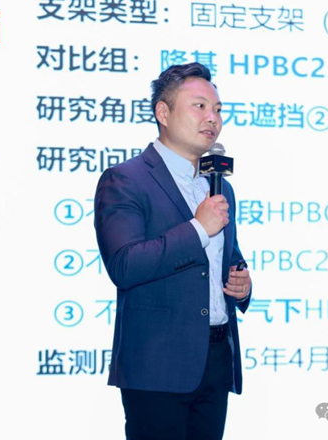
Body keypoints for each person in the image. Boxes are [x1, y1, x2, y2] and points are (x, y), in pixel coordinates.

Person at [93, 62, 252, 440]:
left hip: (216, 358)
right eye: (200, 106)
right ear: (163, 113)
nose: (212, 118)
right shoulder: (126, 179)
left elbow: (227, 257)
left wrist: (241, 283)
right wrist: (198, 228)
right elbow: (125, 265)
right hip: (157, 365)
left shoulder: (219, 186)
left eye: (218, 109)